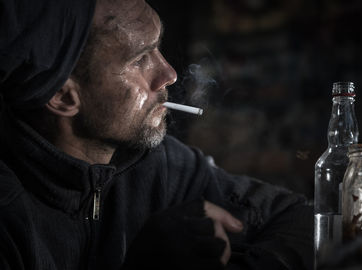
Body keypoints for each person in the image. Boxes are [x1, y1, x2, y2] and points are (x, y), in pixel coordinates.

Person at [0, 0, 313, 269]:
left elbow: (301, 217)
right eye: (139, 59)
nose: (169, 74)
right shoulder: (9, 214)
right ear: (63, 96)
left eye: (158, 48)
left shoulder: (158, 165)